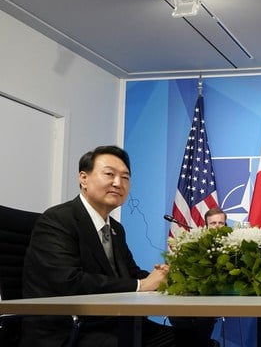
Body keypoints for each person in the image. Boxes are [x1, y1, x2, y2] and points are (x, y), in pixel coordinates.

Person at [21, 145, 176, 347]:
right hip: (68, 329)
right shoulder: (57, 220)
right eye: (109, 174)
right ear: (83, 179)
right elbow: (70, 282)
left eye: (125, 178)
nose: (118, 183)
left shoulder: (116, 229)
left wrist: (162, 278)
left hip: (114, 323)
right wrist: (142, 285)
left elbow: (129, 272)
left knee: (192, 339)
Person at [168, 208, 228, 346]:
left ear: (226, 225)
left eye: (221, 223)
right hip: (192, 293)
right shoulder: (194, 244)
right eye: (213, 223)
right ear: (206, 226)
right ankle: (207, 344)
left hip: (215, 295)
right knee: (176, 316)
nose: (217, 227)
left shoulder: (233, 246)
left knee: (203, 316)